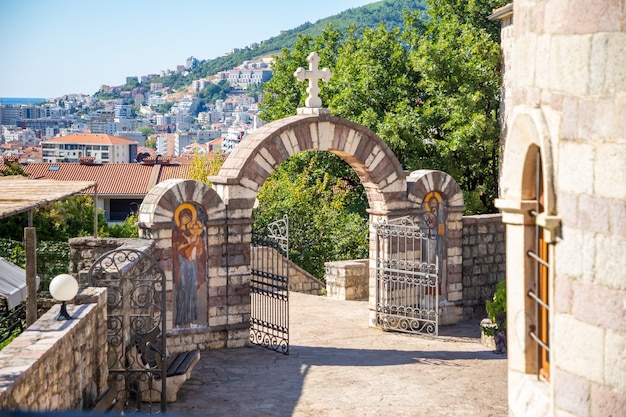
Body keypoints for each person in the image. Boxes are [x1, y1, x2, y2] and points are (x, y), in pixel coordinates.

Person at [173, 205, 205, 326]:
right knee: (182, 287)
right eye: (184, 217)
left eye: (188, 217)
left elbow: (199, 249)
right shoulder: (176, 232)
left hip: (192, 263)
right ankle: (181, 317)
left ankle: (191, 316)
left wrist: (195, 247)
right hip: (181, 263)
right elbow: (177, 248)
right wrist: (187, 246)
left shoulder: (191, 232)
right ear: (180, 217)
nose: (186, 219)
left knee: (192, 287)